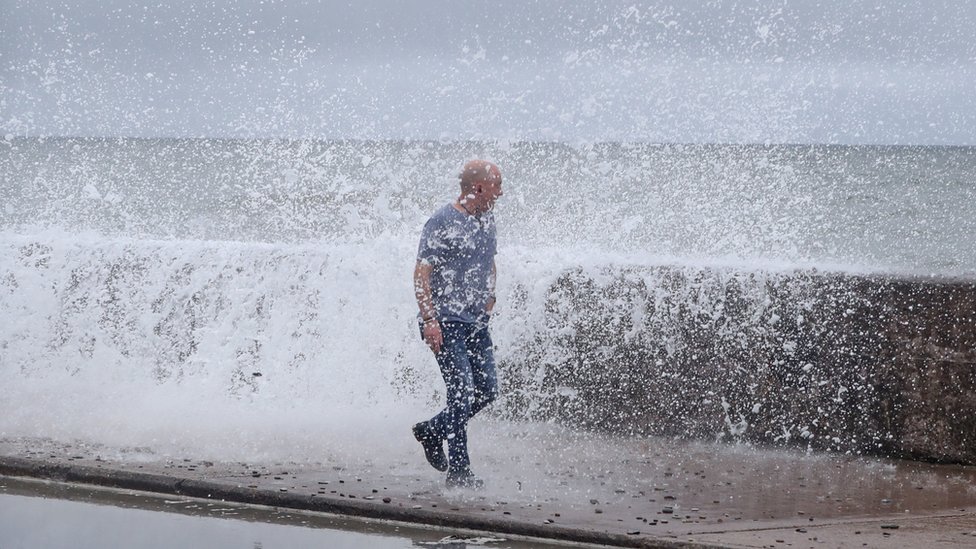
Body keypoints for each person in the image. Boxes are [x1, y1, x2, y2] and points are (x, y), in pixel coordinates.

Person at [412, 159, 503, 489]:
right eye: (497, 185)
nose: (501, 191)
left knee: (487, 391)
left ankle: (431, 431)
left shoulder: (488, 219)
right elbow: (421, 274)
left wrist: (490, 297)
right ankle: (460, 473)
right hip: (446, 323)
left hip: (477, 322)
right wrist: (429, 320)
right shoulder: (442, 221)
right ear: (478, 187)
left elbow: (489, 261)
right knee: (462, 396)